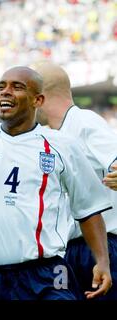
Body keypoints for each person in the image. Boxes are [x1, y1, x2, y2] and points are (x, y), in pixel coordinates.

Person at [0, 66, 112, 300]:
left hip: (47, 272)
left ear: (38, 100)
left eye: (17, 87)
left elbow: (88, 209)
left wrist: (102, 261)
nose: (5, 92)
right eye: (1, 86)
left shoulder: (61, 146)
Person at [32, 61, 117, 300]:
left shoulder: (84, 122)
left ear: (40, 96)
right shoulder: (52, 136)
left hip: (98, 248)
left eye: (28, 94)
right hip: (68, 252)